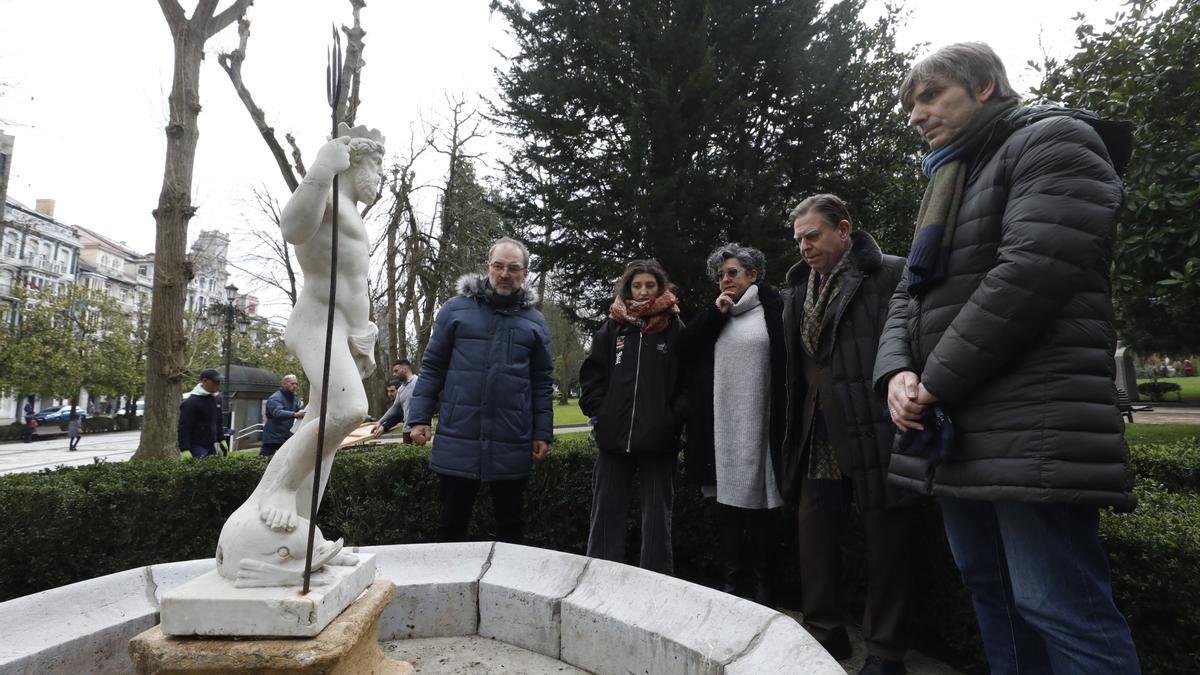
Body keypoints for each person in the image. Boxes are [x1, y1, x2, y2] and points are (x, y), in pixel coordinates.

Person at [875, 42, 1139, 673]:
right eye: (910, 103)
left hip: (1031, 425)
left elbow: (1028, 278)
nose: (916, 114)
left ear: (985, 86)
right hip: (958, 427)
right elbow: (910, 294)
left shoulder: (1055, 141)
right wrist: (897, 373)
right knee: (992, 596)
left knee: (1060, 609)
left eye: (931, 95)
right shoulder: (950, 175)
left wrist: (932, 380)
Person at [780, 194, 912, 673]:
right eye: (798, 240)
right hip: (818, 430)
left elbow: (910, 341)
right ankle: (825, 630)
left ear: (844, 229)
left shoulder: (891, 273)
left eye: (812, 236)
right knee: (815, 527)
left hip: (878, 427)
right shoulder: (797, 289)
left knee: (886, 536)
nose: (804, 247)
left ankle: (885, 650)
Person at [249, 122, 385, 533]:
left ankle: (301, 528)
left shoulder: (352, 214)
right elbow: (292, 228)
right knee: (349, 411)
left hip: (346, 332)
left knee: (321, 437)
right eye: (377, 165)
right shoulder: (324, 195)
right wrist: (321, 169)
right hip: (316, 323)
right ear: (356, 163)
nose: (380, 176)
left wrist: (366, 333)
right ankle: (281, 490)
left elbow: (352, 283)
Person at [407, 237, 554, 544]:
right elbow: (433, 367)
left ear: (525, 273)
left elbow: (541, 381)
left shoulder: (535, 322)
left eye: (513, 268)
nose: (505, 274)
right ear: (488, 268)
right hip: (459, 436)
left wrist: (542, 432)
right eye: (499, 266)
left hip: (511, 440)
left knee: (511, 529)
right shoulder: (455, 310)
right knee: (451, 526)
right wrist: (419, 417)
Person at [676, 243, 785, 605]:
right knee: (727, 511)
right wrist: (714, 313)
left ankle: (764, 587)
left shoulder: (774, 309)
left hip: (761, 428)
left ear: (753, 275)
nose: (725, 280)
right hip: (720, 432)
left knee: (762, 513)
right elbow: (683, 350)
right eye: (721, 276)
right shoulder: (718, 313)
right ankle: (731, 586)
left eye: (733, 273)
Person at [579, 259, 684, 574]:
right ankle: (600, 578)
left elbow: (687, 381)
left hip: (659, 441)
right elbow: (592, 373)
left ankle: (656, 582)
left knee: (656, 518)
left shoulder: (675, 328)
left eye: (649, 285)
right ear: (628, 288)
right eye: (637, 285)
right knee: (606, 514)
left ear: (660, 287)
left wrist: (673, 420)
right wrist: (600, 411)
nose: (643, 291)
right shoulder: (614, 326)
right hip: (614, 438)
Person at [179, 369, 223, 459]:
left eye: (219, 382)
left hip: (210, 445)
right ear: (204, 381)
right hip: (195, 446)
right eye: (215, 382)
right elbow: (184, 427)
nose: (218, 384)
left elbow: (218, 421)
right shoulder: (191, 402)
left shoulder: (215, 399)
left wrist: (221, 439)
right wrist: (184, 449)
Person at [371, 359, 418, 442]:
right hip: (406, 430)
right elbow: (394, 408)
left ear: (405, 369)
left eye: (396, 371)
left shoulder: (419, 382)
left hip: (419, 428)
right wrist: (380, 422)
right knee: (407, 454)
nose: (394, 374)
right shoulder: (400, 389)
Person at [261, 374, 305, 457]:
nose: (295, 386)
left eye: (296, 384)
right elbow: (277, 413)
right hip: (273, 438)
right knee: (265, 460)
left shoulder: (293, 398)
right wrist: (295, 414)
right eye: (292, 383)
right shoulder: (275, 398)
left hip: (285, 436)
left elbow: (298, 409)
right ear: (284, 383)